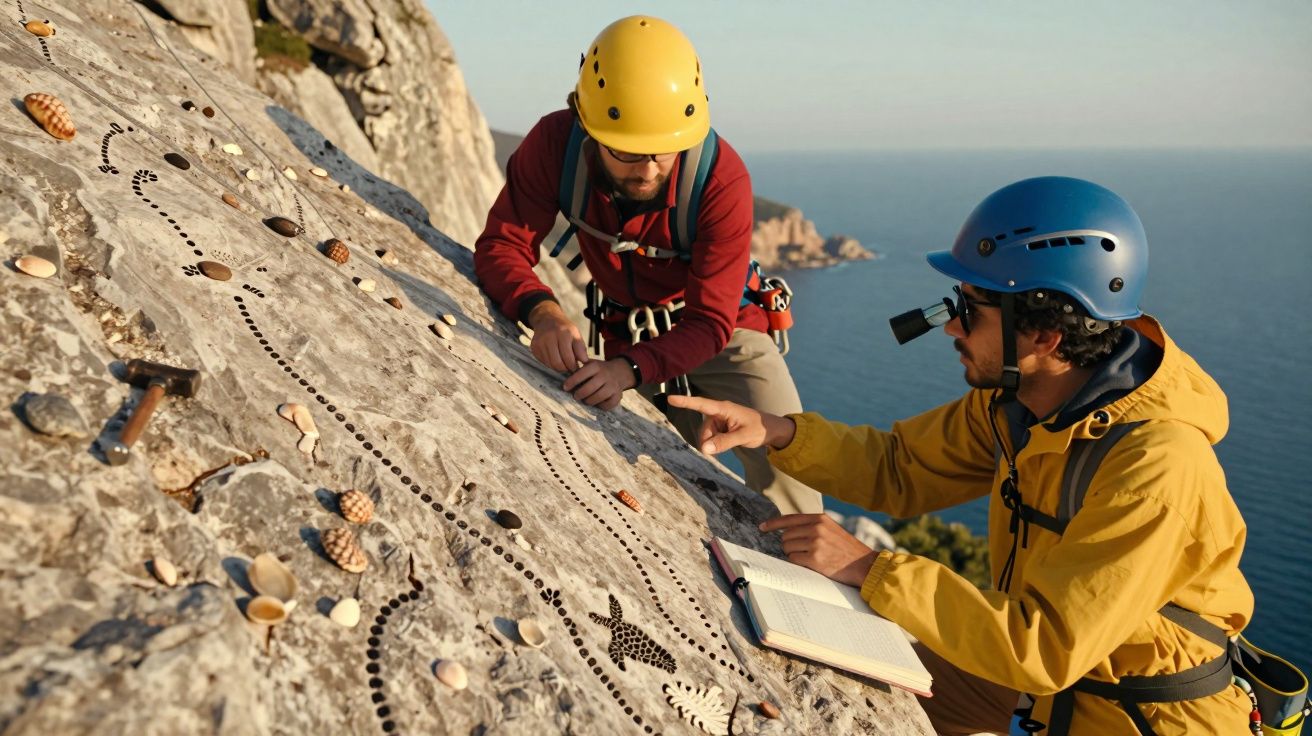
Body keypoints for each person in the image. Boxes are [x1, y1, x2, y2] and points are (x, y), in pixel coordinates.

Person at [670, 177, 1254, 735]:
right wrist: (777, 431)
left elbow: (1045, 647)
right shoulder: (1020, 406)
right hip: (1050, 689)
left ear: (1045, 335)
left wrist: (872, 570)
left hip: (1134, 717)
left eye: (971, 307)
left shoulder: (1155, 470)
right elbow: (900, 467)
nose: (951, 325)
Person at [474, 15, 821, 515]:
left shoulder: (720, 180)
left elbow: (709, 324)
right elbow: (502, 244)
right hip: (625, 330)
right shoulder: (555, 146)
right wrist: (543, 312)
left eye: (664, 151)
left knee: (789, 468)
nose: (650, 169)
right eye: (630, 152)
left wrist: (627, 369)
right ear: (587, 124)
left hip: (722, 334)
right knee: (657, 483)